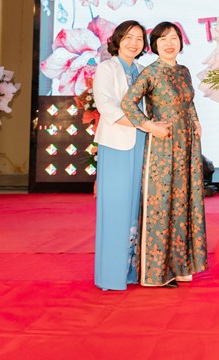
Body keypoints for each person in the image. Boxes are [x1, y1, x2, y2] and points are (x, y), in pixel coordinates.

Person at [122, 21, 207, 287]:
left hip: (187, 145)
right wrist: (149, 126)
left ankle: (179, 266)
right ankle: (155, 273)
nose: (169, 44)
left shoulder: (183, 71)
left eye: (174, 38)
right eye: (163, 40)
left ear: (180, 42)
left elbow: (188, 102)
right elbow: (127, 103)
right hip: (162, 147)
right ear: (154, 45)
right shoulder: (151, 72)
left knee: (182, 204)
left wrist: (196, 121)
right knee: (161, 206)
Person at [93, 20, 157, 291]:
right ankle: (110, 275)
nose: (134, 43)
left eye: (139, 39)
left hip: (143, 143)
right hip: (117, 144)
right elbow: (106, 106)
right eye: (129, 37)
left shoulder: (143, 70)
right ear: (118, 40)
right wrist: (144, 124)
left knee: (136, 208)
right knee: (116, 208)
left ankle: (132, 271)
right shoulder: (106, 68)